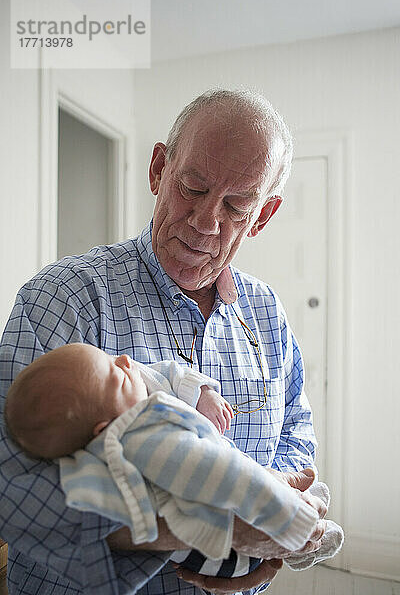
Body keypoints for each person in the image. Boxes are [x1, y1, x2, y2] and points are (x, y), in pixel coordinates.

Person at [0, 88, 327, 595]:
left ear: (263, 216)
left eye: (237, 206)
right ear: (158, 169)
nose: (205, 222)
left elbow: (297, 431)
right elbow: (10, 488)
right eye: (192, 188)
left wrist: (271, 520)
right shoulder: (63, 298)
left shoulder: (266, 314)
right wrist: (202, 528)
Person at [4, 344, 341, 581]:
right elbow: (225, 476)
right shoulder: (147, 440)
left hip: (234, 497)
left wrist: (201, 391)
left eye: (111, 357)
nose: (124, 360)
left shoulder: (128, 400)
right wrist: (292, 522)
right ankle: (307, 539)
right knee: (265, 505)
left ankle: (301, 507)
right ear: (106, 430)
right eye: (116, 375)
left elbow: (164, 372)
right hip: (221, 552)